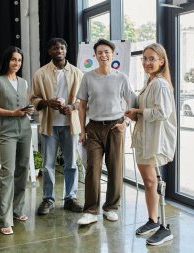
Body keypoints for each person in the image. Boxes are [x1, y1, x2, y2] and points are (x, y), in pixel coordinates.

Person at [125, 43, 177, 245]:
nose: (147, 62)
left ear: (161, 61)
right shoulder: (151, 82)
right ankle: (153, 221)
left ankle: (163, 227)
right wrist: (136, 113)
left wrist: (138, 112)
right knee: (149, 182)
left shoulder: (160, 84)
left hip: (153, 140)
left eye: (151, 59)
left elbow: (162, 113)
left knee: (151, 182)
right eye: (144, 58)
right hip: (145, 137)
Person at [77, 39, 132, 225]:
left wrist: (126, 123)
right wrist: (82, 130)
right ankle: (91, 211)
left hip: (115, 126)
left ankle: (111, 208)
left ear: (113, 54)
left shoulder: (121, 78)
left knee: (115, 167)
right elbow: (82, 105)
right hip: (93, 126)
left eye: (107, 52)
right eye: (100, 52)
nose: (103, 55)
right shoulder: (88, 77)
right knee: (92, 168)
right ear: (95, 55)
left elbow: (132, 102)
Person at [31, 38, 84, 215]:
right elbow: (33, 99)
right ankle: (48, 199)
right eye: (55, 47)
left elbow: (83, 100)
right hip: (49, 124)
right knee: (47, 165)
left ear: (66, 51)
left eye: (62, 47)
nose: (59, 50)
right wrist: (46, 102)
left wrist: (72, 107)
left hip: (70, 124)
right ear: (50, 51)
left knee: (71, 163)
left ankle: (70, 198)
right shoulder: (40, 73)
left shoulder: (77, 73)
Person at [0, 46, 34, 235]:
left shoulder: (24, 82)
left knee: (22, 170)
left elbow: (22, 105)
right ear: (7, 60)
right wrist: (12, 113)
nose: (17, 63)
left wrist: (27, 109)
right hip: (7, 130)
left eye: (19, 60)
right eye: (13, 59)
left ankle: (17, 210)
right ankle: (4, 219)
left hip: (25, 129)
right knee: (7, 172)